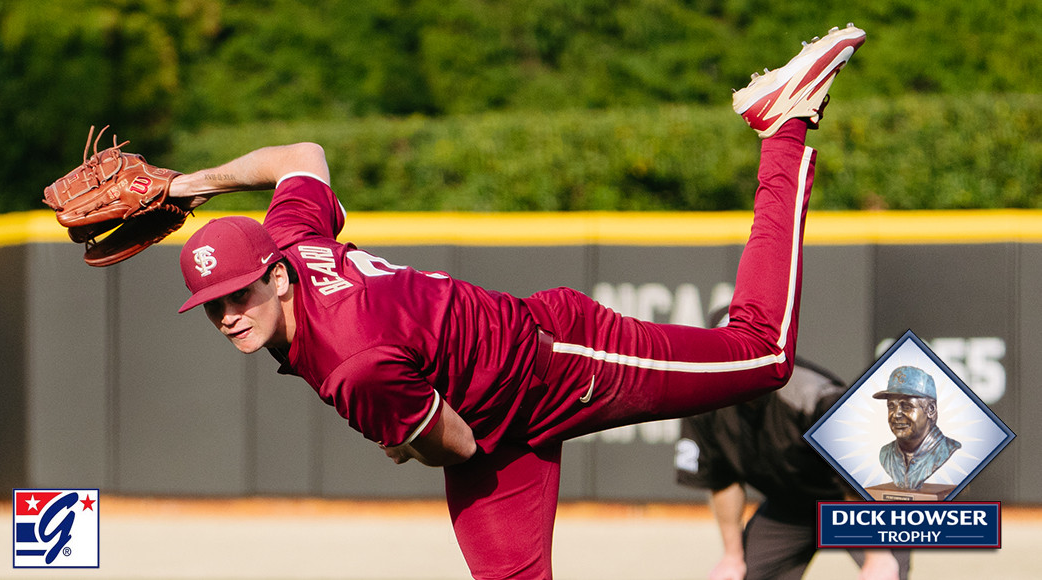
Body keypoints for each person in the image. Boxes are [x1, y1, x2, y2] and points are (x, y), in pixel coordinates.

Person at [168, 25, 866, 580]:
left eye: (239, 292)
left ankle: (783, 127)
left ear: (278, 278)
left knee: (764, 354)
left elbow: (456, 445)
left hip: (552, 363)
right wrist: (191, 183)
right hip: (491, 421)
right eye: (212, 303)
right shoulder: (291, 239)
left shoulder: (355, 363)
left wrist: (403, 440)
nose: (228, 312)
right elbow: (302, 157)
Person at [676, 310, 910, 580]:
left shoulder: (813, 397)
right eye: (727, 351)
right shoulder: (702, 403)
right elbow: (721, 479)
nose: (738, 360)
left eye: (745, 349)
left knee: (884, 575)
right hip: (789, 506)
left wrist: (877, 558)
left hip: (861, 502)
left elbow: (859, 471)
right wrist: (732, 557)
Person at [874, 366, 961, 490]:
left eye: (907, 406)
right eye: (891, 406)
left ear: (931, 410)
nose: (896, 414)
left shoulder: (947, 449)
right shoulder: (886, 454)